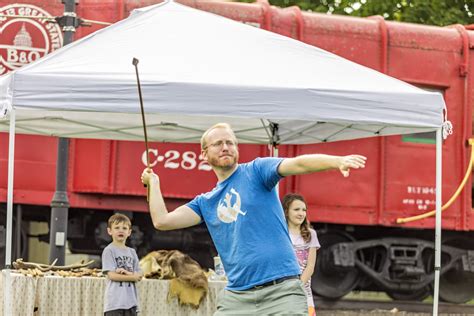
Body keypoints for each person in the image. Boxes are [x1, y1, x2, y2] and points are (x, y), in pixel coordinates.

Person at [141, 122, 366, 315]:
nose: (225, 147)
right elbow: (162, 221)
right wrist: (154, 184)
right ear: (204, 154)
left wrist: (336, 161)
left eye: (230, 142)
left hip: (282, 292)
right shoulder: (205, 202)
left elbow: (298, 163)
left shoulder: (257, 171)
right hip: (237, 297)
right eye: (218, 144)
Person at [283, 193, 320, 316]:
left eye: (304, 210)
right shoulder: (280, 234)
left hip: (303, 290)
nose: (301, 213)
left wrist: (298, 285)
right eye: (296, 209)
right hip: (281, 290)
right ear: (286, 212)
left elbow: (310, 266)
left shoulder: (310, 234)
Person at [101, 213, 143, 316]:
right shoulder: (109, 250)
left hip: (131, 303)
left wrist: (127, 273)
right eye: (117, 228)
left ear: (129, 232)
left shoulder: (132, 252)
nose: (121, 230)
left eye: (124, 228)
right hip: (114, 304)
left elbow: (140, 274)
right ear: (109, 231)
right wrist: (133, 277)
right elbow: (112, 275)